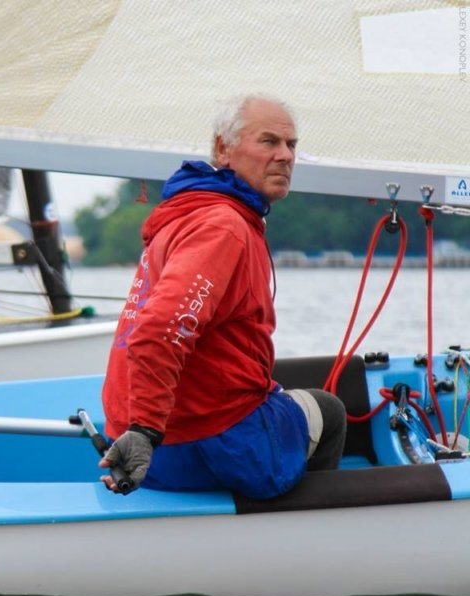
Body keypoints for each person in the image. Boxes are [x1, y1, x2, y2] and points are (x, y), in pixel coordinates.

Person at [100, 94, 346, 499]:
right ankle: (309, 531)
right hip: (199, 446)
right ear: (222, 149)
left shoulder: (186, 214)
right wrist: (145, 430)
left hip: (140, 442)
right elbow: (160, 328)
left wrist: (141, 428)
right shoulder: (224, 227)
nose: (285, 156)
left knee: (277, 393)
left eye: (291, 145)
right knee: (329, 410)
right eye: (268, 142)